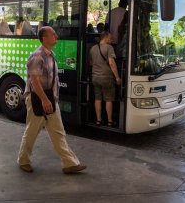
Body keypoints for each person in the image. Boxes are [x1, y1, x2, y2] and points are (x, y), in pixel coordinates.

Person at [17, 26, 87, 174]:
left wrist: (51, 99)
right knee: (32, 131)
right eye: (53, 34)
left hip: (50, 99)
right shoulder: (37, 56)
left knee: (58, 132)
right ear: (44, 38)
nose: (56, 35)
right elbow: (34, 81)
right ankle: (23, 160)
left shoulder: (50, 54)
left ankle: (69, 163)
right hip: (38, 99)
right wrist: (44, 100)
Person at [90, 31, 121, 127]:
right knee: (109, 99)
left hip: (95, 77)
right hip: (106, 78)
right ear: (106, 37)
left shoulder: (93, 48)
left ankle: (98, 120)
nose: (111, 40)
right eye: (110, 38)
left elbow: (91, 63)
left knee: (98, 98)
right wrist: (117, 77)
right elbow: (112, 63)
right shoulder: (109, 48)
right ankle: (110, 121)